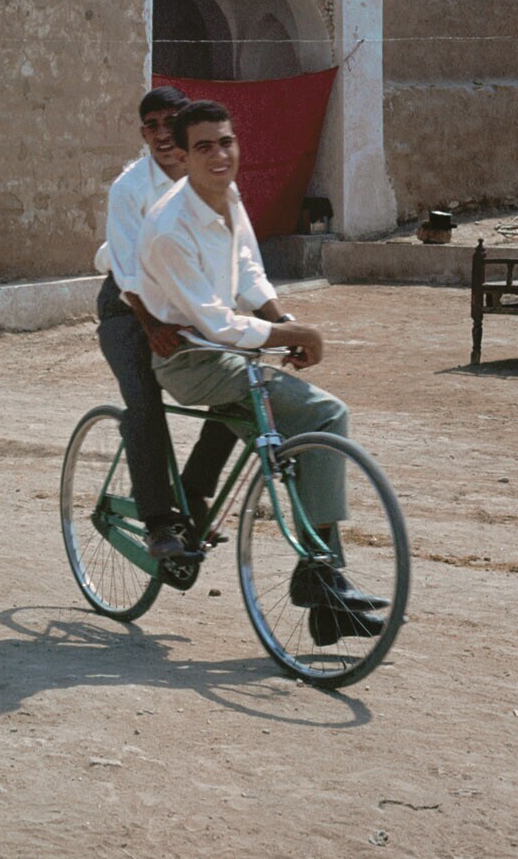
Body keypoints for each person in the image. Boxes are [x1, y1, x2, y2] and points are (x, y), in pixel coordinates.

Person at [135, 99, 387, 642]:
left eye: (226, 142)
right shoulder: (169, 226)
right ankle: (318, 576)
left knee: (294, 432)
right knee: (325, 414)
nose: (219, 155)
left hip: (228, 352)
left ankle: (324, 596)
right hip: (189, 359)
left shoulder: (227, 196)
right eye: (204, 147)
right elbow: (216, 322)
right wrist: (298, 336)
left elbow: (248, 270)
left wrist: (282, 319)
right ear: (183, 156)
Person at [94, 87, 236, 562]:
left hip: (181, 303)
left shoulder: (207, 179)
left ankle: (192, 491)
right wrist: (151, 326)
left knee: (240, 384)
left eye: (170, 122)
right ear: (143, 134)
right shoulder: (129, 188)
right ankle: (158, 522)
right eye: (151, 126)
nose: (161, 134)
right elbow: (127, 271)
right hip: (128, 309)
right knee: (143, 401)